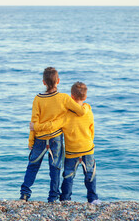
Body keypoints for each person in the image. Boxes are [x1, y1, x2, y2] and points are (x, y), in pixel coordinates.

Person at [20, 68, 88, 203]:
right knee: (55, 168)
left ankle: (24, 195)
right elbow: (80, 112)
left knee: (33, 166)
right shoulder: (63, 98)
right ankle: (52, 198)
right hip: (56, 138)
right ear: (58, 81)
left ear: (44, 82)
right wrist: (86, 106)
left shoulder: (38, 99)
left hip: (39, 138)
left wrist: (30, 141)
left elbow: (34, 121)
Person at [30, 81, 101, 204]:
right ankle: (93, 198)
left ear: (71, 97)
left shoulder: (66, 115)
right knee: (90, 174)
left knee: (68, 176)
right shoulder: (88, 110)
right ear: (85, 97)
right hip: (88, 148)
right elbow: (92, 129)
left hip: (71, 151)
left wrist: (35, 126)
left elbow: (52, 126)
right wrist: (90, 142)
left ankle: (65, 199)